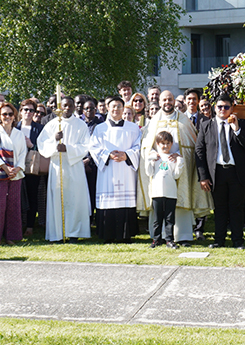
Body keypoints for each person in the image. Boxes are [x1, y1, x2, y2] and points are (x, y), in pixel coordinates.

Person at [142, 90, 210, 244]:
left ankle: (183, 235)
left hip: (180, 166)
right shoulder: (154, 121)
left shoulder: (184, 120)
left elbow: (193, 144)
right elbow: (146, 145)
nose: (167, 102)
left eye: (170, 99)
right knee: (159, 204)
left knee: (180, 199)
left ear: (175, 101)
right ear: (159, 102)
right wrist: (154, 154)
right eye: (164, 100)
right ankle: (159, 236)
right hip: (159, 169)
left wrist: (179, 154)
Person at [195, 96, 245, 249]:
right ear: (214, 108)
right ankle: (219, 240)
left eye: (226, 107)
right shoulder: (206, 125)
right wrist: (203, 176)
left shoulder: (240, 123)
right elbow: (199, 151)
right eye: (220, 106)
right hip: (217, 173)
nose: (223, 110)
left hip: (237, 172)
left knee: (236, 208)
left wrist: (237, 129)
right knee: (220, 208)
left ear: (232, 108)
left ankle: (238, 241)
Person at [38, 95, 92, 242]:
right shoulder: (52, 125)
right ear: (59, 107)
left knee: (75, 200)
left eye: (70, 105)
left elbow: (86, 146)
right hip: (57, 167)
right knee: (58, 198)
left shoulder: (81, 125)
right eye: (64, 106)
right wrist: (55, 141)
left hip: (74, 168)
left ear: (74, 107)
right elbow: (42, 144)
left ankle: (74, 232)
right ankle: (58, 233)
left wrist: (67, 148)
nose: (67, 108)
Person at [89, 97, 142, 244]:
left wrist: (127, 155)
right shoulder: (100, 129)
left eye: (119, 106)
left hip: (126, 171)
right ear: (107, 108)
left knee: (126, 202)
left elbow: (139, 147)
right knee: (108, 202)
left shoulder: (132, 128)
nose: (116, 109)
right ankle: (108, 235)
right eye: (113, 106)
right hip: (108, 171)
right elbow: (93, 147)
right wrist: (108, 155)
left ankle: (126, 235)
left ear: (123, 108)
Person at [0, 103, 28, 245]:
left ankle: (12, 237)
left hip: (16, 174)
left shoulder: (19, 133)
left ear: (14, 116)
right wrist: (4, 167)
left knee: (14, 205)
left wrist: (18, 168)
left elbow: (23, 153)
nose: (7, 117)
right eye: (4, 114)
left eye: (10, 114)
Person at [145, 131, 183, 248]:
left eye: (167, 143)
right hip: (157, 193)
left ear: (171, 144)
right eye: (162, 143)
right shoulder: (155, 157)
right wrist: (150, 160)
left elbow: (176, 175)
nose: (165, 146)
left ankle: (169, 240)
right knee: (157, 218)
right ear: (157, 144)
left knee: (169, 219)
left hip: (171, 193)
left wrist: (180, 162)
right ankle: (156, 239)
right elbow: (149, 172)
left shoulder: (172, 158)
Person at [18, 98, 45, 239]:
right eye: (26, 110)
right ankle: (17, 224)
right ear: (20, 111)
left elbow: (44, 148)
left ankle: (29, 225)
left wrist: (31, 145)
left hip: (32, 167)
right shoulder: (14, 127)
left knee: (32, 196)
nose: (28, 112)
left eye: (32, 110)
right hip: (15, 167)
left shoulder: (40, 129)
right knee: (16, 197)